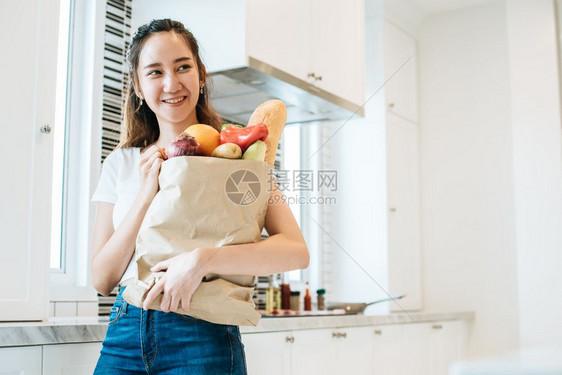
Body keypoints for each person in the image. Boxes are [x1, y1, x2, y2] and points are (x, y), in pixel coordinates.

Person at [91, 18, 309, 374]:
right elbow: (102, 279)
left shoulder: (236, 155)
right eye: (155, 72)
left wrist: (202, 260)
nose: (171, 83)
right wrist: (148, 191)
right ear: (137, 86)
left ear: (201, 74)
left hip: (202, 331)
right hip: (125, 331)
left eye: (183, 67)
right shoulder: (122, 163)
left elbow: (296, 251)